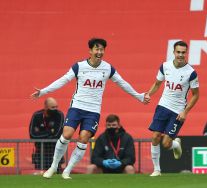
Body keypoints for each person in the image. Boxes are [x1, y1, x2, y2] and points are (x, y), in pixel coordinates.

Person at [30, 38, 150, 179]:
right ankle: (53, 166)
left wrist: (139, 96)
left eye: (102, 49)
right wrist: (43, 91)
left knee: (83, 138)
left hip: (93, 111)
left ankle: (67, 170)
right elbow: (63, 80)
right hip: (77, 107)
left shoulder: (108, 68)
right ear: (90, 50)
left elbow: (123, 83)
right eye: (96, 49)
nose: (99, 52)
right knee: (67, 134)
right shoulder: (79, 66)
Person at [145, 41, 199, 176]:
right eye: (178, 52)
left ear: (186, 53)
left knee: (166, 143)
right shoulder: (165, 66)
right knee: (155, 136)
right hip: (163, 106)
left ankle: (175, 144)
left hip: (178, 111)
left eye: (183, 52)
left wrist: (185, 111)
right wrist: (148, 94)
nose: (180, 55)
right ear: (174, 52)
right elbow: (157, 84)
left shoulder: (191, 72)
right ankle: (157, 169)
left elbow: (196, 95)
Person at [29, 97, 64, 172]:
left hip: (56, 151)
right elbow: (32, 135)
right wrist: (50, 132)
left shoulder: (59, 115)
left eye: (56, 107)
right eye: (52, 107)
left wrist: (41, 133)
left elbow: (57, 135)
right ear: (45, 107)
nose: (55, 109)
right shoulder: (37, 116)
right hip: (40, 152)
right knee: (40, 174)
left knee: (57, 174)